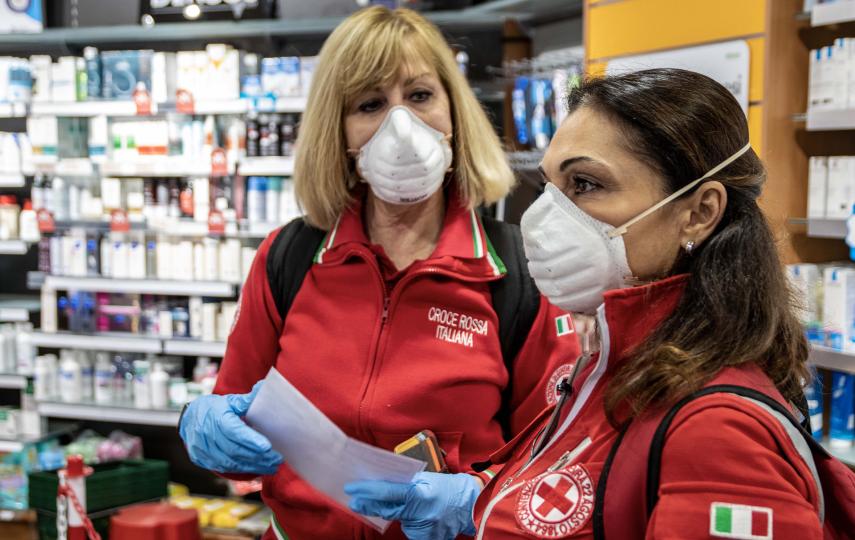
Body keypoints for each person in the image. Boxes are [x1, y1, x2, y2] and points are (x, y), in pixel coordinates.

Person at [345, 68, 847, 539]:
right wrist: (481, 504)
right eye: (550, 187)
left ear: (699, 213)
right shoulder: (626, 364)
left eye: (585, 185)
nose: (545, 217)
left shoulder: (718, 432)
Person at [178, 6, 581, 540]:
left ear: (454, 111)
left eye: (419, 96)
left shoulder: (517, 275)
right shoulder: (290, 258)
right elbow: (237, 426)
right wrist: (204, 424)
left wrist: (475, 501)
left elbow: (556, 467)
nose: (401, 125)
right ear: (339, 132)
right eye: (370, 103)